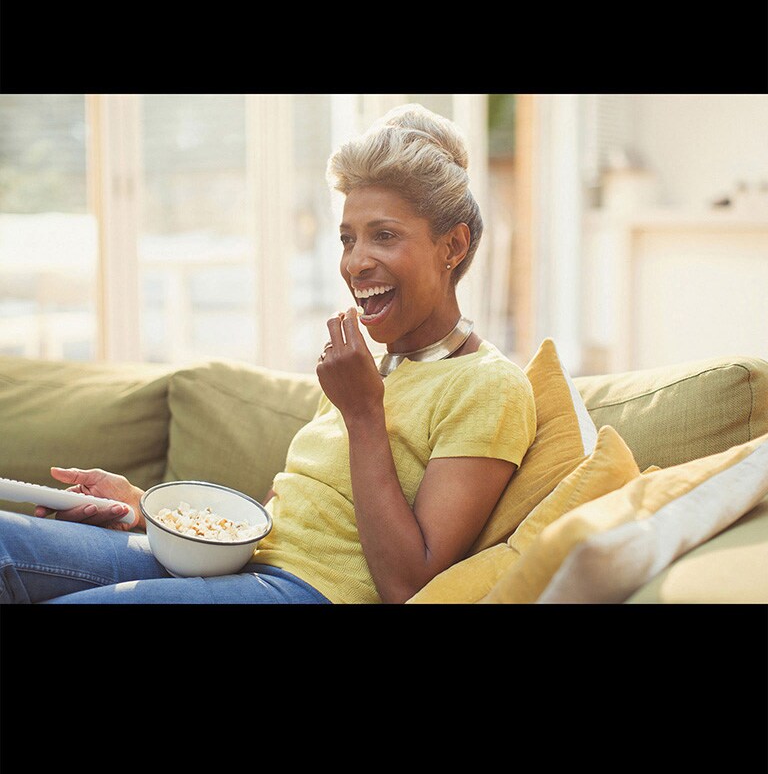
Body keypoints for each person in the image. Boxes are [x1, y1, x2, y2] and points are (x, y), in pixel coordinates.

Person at [0, 104, 536, 605]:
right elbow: (281, 525)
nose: (356, 263)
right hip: (243, 572)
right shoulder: (370, 372)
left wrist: (363, 412)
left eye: (385, 236)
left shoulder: (488, 386)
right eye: (348, 239)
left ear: (454, 246)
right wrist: (148, 511)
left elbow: (408, 584)